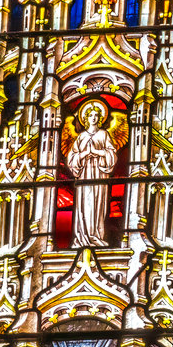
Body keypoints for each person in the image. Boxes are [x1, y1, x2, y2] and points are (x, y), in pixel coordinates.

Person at [66, 101, 119, 247]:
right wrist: (83, 155)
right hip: (84, 176)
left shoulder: (104, 134)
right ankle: (82, 237)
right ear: (85, 119)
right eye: (90, 116)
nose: (93, 118)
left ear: (100, 118)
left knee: (97, 205)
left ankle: (96, 236)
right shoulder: (81, 137)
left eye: (96, 115)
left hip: (99, 175)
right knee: (84, 205)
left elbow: (111, 154)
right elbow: (72, 158)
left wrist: (96, 152)